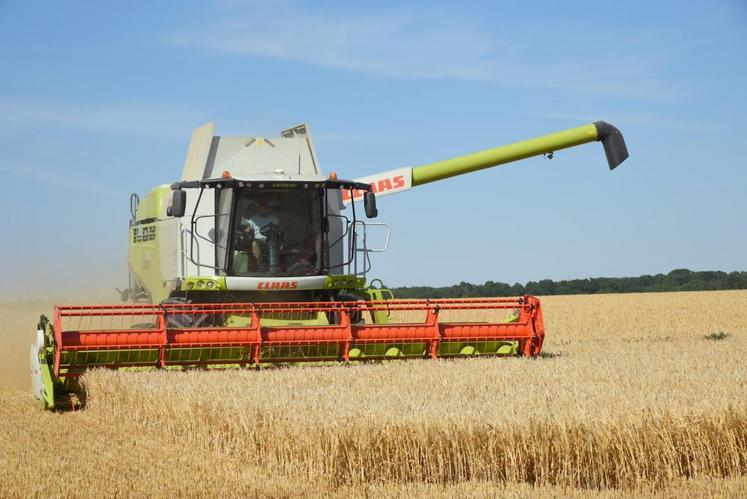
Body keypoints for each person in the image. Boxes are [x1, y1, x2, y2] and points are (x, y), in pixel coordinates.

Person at [240, 200, 281, 268]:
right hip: (258, 240)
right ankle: (260, 263)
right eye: (261, 209)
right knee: (254, 244)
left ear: (268, 209)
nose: (263, 210)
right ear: (259, 209)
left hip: (270, 238)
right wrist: (248, 229)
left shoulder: (272, 218)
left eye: (265, 209)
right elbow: (248, 227)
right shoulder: (254, 218)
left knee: (274, 243)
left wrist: (276, 229)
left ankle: (275, 265)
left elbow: (279, 226)